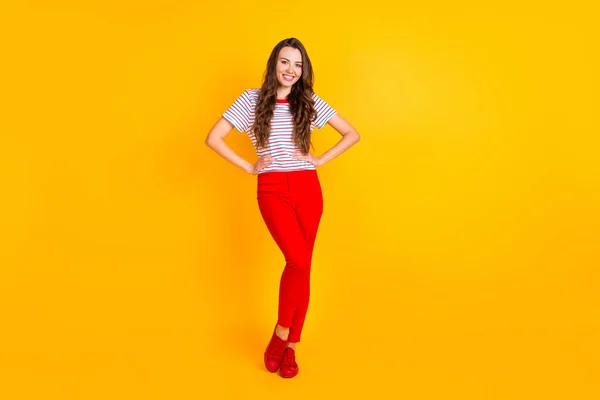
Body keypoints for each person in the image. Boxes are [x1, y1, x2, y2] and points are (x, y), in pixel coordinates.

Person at [205, 37, 360, 378]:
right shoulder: (251, 100)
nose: (291, 70)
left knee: (303, 267)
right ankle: (281, 333)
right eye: (285, 62)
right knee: (297, 260)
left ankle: (288, 347)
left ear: (304, 70)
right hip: (273, 188)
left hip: (308, 189)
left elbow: (351, 134)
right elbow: (213, 137)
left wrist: (318, 159)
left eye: (298, 64)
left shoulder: (307, 101)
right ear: (274, 63)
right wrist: (249, 166)